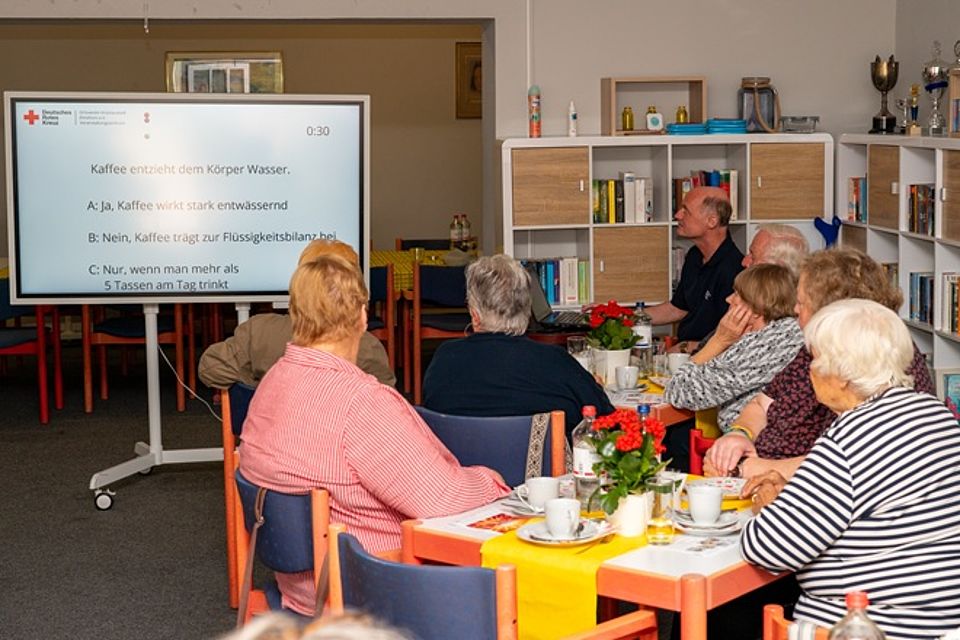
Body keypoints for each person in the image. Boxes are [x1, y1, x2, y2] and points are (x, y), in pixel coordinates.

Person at [239, 255, 507, 616]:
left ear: (295, 314)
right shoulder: (360, 403)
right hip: (373, 588)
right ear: (363, 316)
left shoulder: (271, 382)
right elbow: (444, 500)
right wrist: (495, 483)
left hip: (301, 588)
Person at [740, 299, 960, 639]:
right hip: (943, 624)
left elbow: (767, 548)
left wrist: (769, 502)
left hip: (869, 627)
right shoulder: (935, 413)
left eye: (814, 360)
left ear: (840, 376)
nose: (809, 370)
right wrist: (795, 498)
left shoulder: (850, 438)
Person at [705, 247, 934, 479]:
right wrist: (740, 434)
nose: (794, 310)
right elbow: (761, 403)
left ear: (832, 312)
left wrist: (750, 469)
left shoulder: (880, 361)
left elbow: (853, 462)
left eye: (802, 303)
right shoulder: (814, 348)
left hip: (801, 489)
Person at [422, 254, 614, 435]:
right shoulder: (556, 362)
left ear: (475, 315)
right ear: (527, 310)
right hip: (543, 471)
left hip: (460, 468)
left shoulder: (443, 359)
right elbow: (609, 422)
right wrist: (592, 387)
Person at [198, 239, 395, 389]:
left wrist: (263, 386)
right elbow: (384, 408)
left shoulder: (258, 331)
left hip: (271, 437)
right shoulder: (367, 347)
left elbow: (209, 368)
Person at [662, 263, 803, 432]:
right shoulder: (785, 331)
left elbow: (679, 391)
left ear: (756, 308)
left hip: (753, 446)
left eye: (737, 294)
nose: (728, 299)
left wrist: (719, 340)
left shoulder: (764, 345)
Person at [645, 186, 744, 343]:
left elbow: (729, 339)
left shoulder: (734, 270)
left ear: (712, 221)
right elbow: (677, 308)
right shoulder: (694, 255)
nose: (677, 215)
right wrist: (624, 317)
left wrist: (686, 348)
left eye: (686, 211)